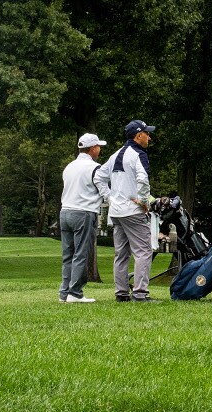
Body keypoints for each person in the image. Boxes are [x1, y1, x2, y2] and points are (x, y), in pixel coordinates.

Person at [103, 119, 157, 303]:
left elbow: (98, 177)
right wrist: (143, 201)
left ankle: (121, 293)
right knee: (143, 251)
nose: (149, 137)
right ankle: (141, 294)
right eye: (147, 134)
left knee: (121, 253)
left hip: (116, 212)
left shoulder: (115, 155)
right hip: (133, 211)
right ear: (138, 135)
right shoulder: (138, 155)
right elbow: (143, 180)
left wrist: (109, 197)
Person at [58, 133, 110, 303]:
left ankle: (64, 293)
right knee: (81, 254)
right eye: (98, 147)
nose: (100, 150)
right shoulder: (95, 168)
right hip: (84, 212)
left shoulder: (69, 166)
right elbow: (105, 193)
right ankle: (75, 293)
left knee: (68, 255)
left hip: (65, 212)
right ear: (92, 149)